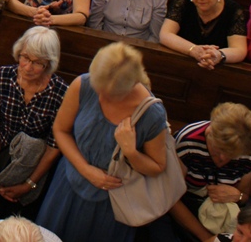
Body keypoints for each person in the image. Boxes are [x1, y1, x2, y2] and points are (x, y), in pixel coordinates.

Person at [35, 42, 170, 242]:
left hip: (111, 204)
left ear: (130, 86)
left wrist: (131, 152)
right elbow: (61, 130)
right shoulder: (83, 84)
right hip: (68, 185)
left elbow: (157, 167)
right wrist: (86, 170)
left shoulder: (152, 114)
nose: (100, 96)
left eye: (108, 94)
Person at [166, 103, 251, 242]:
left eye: (232, 155)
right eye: (218, 150)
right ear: (210, 131)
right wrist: (208, 238)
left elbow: (244, 196)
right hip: (182, 212)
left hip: (220, 218)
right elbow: (171, 198)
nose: (223, 158)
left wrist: (238, 196)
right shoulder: (187, 142)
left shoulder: (250, 152)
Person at [159, 0, 248, 67]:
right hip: (180, 65)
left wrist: (218, 55)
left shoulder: (233, 10)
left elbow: (239, 50)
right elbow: (165, 35)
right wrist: (193, 50)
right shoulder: (182, 3)